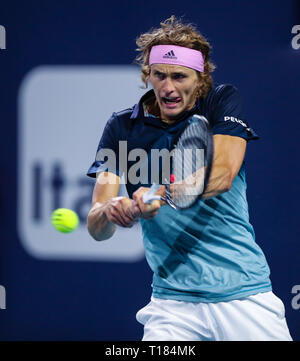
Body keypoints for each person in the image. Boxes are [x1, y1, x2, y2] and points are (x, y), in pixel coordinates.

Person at [86, 16, 292, 341]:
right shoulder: (121, 128)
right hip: (171, 307)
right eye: (159, 75)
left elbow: (222, 175)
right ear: (147, 74)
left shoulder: (221, 103)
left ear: (200, 77)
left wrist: (161, 192)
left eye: (179, 76)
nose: (168, 88)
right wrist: (111, 211)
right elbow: (97, 226)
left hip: (243, 296)